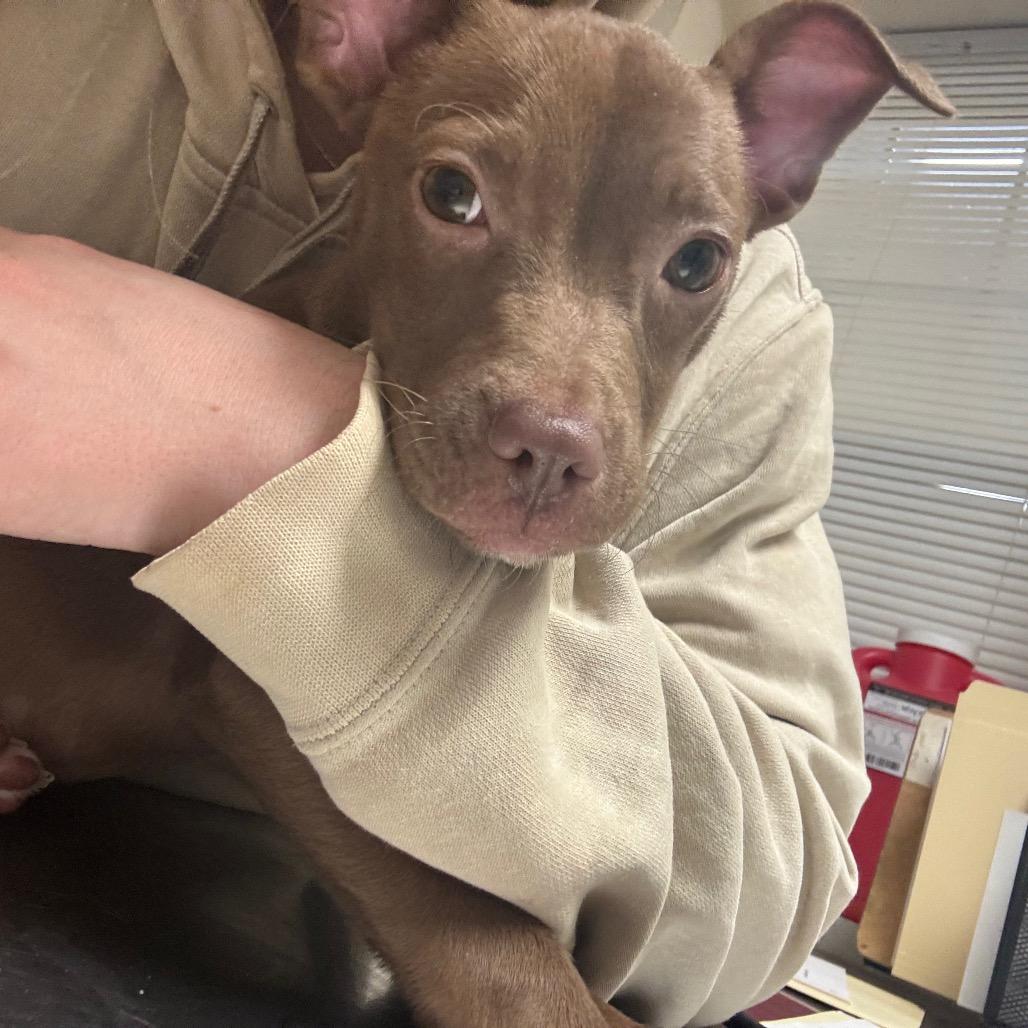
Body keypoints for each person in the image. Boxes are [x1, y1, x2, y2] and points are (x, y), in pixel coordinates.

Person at [0, 1, 868, 1024]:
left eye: (689, 265)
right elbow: (235, 682)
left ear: (779, 171)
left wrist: (268, 451)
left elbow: (777, 866)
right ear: (357, 38)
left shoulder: (758, 316)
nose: (559, 412)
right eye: (456, 194)